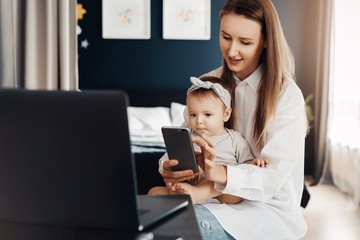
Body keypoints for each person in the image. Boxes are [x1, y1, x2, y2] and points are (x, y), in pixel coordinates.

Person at [158, 0, 308, 239]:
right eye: (226, 37)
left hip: (264, 209)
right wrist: (171, 168)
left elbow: (271, 178)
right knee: (145, 220)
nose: (231, 51)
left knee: (178, 230)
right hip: (206, 197)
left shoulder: (286, 96)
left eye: (245, 42)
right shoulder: (207, 84)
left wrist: (219, 173)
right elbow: (185, 138)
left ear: (266, 41)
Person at [148, 76, 268, 204]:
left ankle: (198, 194)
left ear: (226, 114)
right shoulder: (188, 138)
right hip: (189, 187)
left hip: (220, 195)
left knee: (230, 169)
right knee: (153, 192)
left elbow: (246, 167)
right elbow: (165, 163)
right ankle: (187, 194)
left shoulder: (234, 139)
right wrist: (174, 172)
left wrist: (255, 163)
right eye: (193, 115)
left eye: (207, 115)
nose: (199, 121)